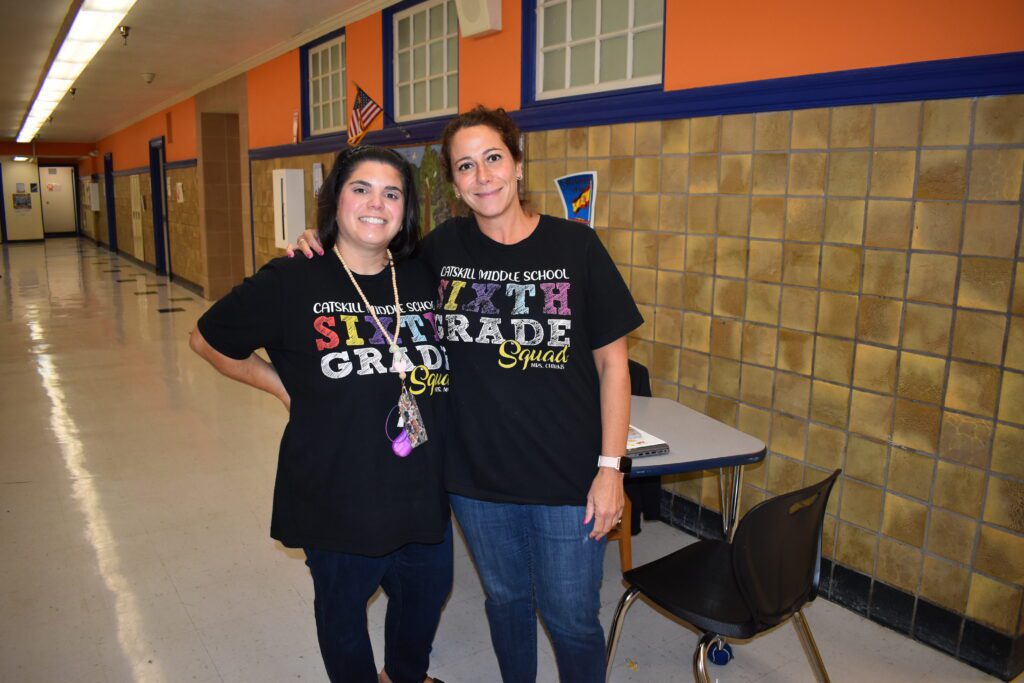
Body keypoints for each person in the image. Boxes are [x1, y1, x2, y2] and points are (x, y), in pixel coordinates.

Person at [290, 107, 642, 683]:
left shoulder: (576, 247)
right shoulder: (439, 250)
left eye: (494, 159)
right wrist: (320, 241)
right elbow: (368, 263)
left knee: (572, 617)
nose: (483, 176)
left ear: (519, 165)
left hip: (568, 479)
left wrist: (612, 468)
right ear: (454, 183)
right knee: (504, 604)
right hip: (475, 483)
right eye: (466, 165)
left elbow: (614, 366)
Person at [190, 146, 452, 683]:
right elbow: (206, 338)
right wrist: (282, 386)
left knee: (423, 599)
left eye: (392, 193)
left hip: (421, 486)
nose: (376, 203)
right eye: (361, 189)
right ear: (335, 201)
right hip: (336, 491)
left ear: (406, 209)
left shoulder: (424, 278)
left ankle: (406, 675)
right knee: (342, 614)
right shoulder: (293, 279)